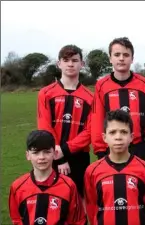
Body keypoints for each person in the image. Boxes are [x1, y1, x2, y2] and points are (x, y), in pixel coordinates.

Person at [84, 110, 145, 225]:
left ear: (131, 137)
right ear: (104, 137)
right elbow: (91, 207)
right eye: (113, 132)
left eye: (124, 132)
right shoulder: (92, 171)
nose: (118, 137)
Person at [91, 37, 145, 166]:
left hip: (139, 147)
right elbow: (97, 119)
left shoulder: (144, 84)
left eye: (126, 55)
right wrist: (100, 150)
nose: (121, 58)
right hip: (112, 148)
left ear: (132, 58)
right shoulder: (101, 85)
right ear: (110, 58)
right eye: (117, 55)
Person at [36, 44, 93, 200]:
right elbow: (44, 127)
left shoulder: (90, 97)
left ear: (82, 64)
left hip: (79, 156)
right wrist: (59, 157)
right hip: (50, 156)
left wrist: (65, 150)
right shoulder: (46, 93)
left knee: (80, 201)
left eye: (75, 60)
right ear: (58, 63)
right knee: (52, 201)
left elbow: (90, 131)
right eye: (66, 60)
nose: (70, 64)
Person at [9, 130, 86, 225]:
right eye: (36, 152)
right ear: (28, 155)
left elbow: (78, 221)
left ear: (55, 154)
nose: (41, 157)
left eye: (46, 152)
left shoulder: (68, 186)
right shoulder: (17, 187)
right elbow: (17, 220)